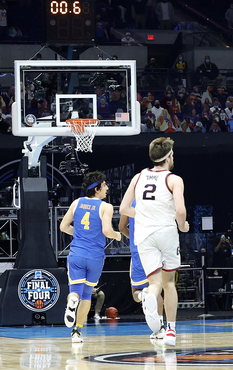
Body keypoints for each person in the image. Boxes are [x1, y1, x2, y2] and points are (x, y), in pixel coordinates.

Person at [119, 137, 189, 347]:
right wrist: (183, 225)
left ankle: (149, 296)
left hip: (144, 234)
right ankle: (171, 331)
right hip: (166, 231)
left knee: (155, 283)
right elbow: (180, 211)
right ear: (168, 157)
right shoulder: (174, 179)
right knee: (169, 283)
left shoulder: (139, 177)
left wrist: (142, 216)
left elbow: (123, 209)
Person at [59, 171, 122, 343]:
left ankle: (71, 304)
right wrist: (117, 236)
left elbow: (63, 226)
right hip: (95, 257)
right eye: (105, 185)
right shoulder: (105, 207)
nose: (107, 188)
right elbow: (107, 231)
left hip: (77, 254)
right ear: (97, 189)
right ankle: (76, 332)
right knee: (87, 295)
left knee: (75, 293)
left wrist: (79, 234)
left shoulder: (76, 203)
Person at [118, 200, 167, 338]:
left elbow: (121, 227)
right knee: (156, 288)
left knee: (136, 292)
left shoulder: (131, 202)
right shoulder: (157, 198)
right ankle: (161, 327)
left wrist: (133, 238)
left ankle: (142, 296)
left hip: (137, 250)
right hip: (155, 249)